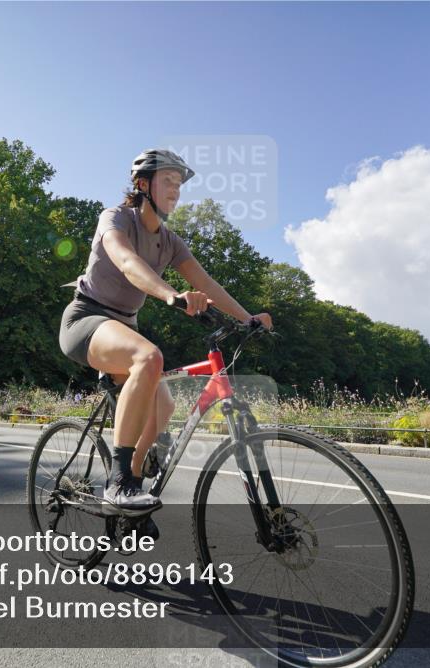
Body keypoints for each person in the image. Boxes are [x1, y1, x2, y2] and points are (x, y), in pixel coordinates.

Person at [58, 149, 272, 515]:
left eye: (179, 185)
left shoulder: (170, 241)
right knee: (148, 356)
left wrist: (246, 318)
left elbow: (205, 281)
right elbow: (127, 262)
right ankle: (119, 483)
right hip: (86, 320)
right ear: (143, 185)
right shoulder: (116, 218)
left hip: (123, 327)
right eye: (167, 182)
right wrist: (172, 295)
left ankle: (133, 491)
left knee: (165, 405)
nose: (175, 190)